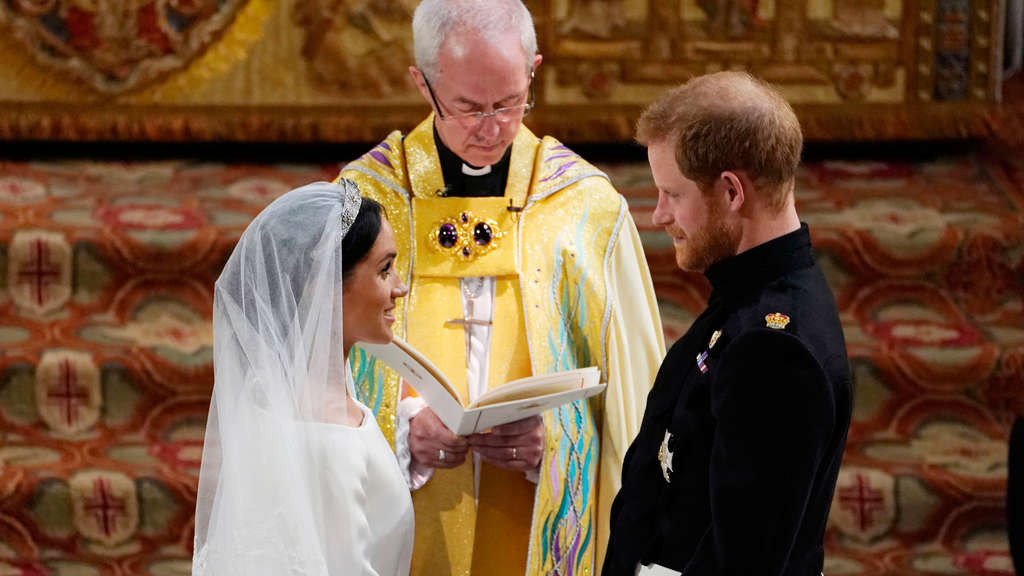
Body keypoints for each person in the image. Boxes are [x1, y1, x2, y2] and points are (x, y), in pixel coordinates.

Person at [338, 1, 666, 574]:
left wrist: (558, 445)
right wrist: (396, 431)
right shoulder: (365, 201)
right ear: (423, 84)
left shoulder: (584, 208)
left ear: (533, 70)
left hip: (534, 521)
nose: (491, 129)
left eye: (510, 102)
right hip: (407, 523)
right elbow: (313, 370)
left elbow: (635, 403)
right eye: (466, 107)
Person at [602, 71, 853, 576]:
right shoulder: (749, 298)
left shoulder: (773, 351)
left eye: (672, 194)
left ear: (732, 192)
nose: (658, 216)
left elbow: (740, 562)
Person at [192, 180, 413, 575]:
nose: (400, 286)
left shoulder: (283, 393)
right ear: (326, 285)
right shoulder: (327, 433)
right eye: (385, 270)